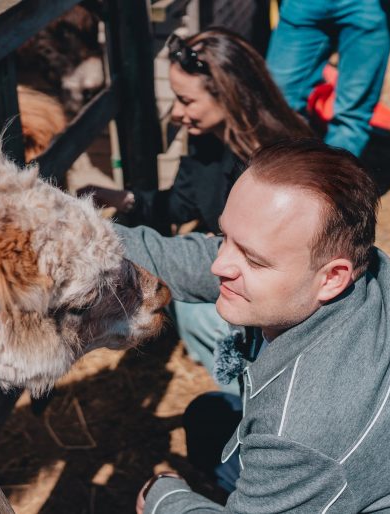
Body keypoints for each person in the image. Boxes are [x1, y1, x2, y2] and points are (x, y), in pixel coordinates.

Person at [117, 140, 390, 513]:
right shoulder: (359, 269)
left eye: (253, 260)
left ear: (332, 278)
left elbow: (303, 434)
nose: (219, 265)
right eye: (224, 238)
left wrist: (164, 498)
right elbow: (201, 259)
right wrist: (97, 242)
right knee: (209, 419)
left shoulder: (303, 427)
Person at [80, 28, 311, 394]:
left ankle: (256, 392)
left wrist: (224, 244)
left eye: (186, 100)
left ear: (228, 95)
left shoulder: (285, 162)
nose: (176, 113)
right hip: (232, 274)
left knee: (190, 308)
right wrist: (119, 197)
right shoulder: (208, 143)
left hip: (278, 300)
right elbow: (181, 203)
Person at [265, 0, 390, 156]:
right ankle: (279, 164)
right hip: (306, 4)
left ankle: (329, 170)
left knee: (351, 114)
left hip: (373, 6)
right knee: (277, 99)